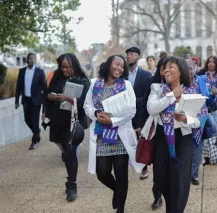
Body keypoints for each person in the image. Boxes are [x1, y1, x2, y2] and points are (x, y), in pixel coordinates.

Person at [84, 55, 144, 213]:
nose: (119, 68)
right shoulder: (94, 83)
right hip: (101, 135)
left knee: (121, 172)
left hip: (120, 135)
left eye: (122, 66)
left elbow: (131, 110)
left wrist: (112, 121)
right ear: (109, 64)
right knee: (102, 173)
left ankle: (121, 209)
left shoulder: (126, 85)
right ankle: (117, 190)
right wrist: (96, 113)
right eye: (116, 64)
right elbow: (87, 106)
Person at [142, 56, 202, 213]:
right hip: (162, 137)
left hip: (183, 138)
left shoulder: (192, 91)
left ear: (180, 71)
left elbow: (199, 120)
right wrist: (171, 96)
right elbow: (151, 108)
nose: (166, 70)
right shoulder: (157, 88)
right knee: (161, 178)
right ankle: (172, 206)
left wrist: (185, 118)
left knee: (180, 180)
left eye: (171, 67)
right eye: (165, 68)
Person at [46, 53, 90, 201]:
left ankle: (71, 186)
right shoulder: (57, 77)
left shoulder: (83, 80)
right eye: (62, 67)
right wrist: (51, 97)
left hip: (73, 122)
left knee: (70, 152)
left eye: (67, 67)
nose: (64, 70)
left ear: (74, 66)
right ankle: (65, 152)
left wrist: (68, 98)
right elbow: (47, 93)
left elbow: (86, 102)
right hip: (58, 120)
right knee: (65, 150)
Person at [139, 57, 166, 210]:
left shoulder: (178, 85)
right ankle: (157, 195)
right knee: (157, 166)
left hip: (173, 132)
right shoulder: (152, 83)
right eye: (163, 67)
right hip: (155, 130)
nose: (166, 71)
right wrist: (141, 126)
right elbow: (145, 105)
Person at [125, 46, 152, 179]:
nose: (129, 56)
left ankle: (143, 167)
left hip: (140, 112)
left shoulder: (146, 75)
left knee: (141, 139)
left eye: (132, 54)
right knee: (125, 139)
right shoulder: (122, 75)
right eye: (128, 54)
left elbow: (147, 97)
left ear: (138, 57)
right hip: (124, 112)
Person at [15, 53, 47, 150]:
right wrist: (16, 100)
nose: (30, 60)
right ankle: (37, 132)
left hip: (36, 101)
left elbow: (45, 87)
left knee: (34, 121)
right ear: (26, 60)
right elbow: (19, 87)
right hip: (26, 100)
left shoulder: (40, 72)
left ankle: (35, 141)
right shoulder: (22, 71)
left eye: (32, 59)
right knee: (27, 120)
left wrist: (43, 99)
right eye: (28, 59)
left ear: (35, 60)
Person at [185, 59, 209, 186]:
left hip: (199, 118)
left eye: (191, 68)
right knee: (185, 146)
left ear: (195, 69)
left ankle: (194, 174)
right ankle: (184, 172)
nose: (189, 71)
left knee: (197, 146)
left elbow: (207, 97)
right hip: (183, 119)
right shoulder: (179, 81)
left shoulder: (200, 80)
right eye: (186, 68)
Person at [201, 56, 217, 166]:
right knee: (206, 131)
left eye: (213, 62)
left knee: (216, 130)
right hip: (205, 106)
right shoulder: (202, 75)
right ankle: (206, 157)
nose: (211, 64)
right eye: (209, 62)